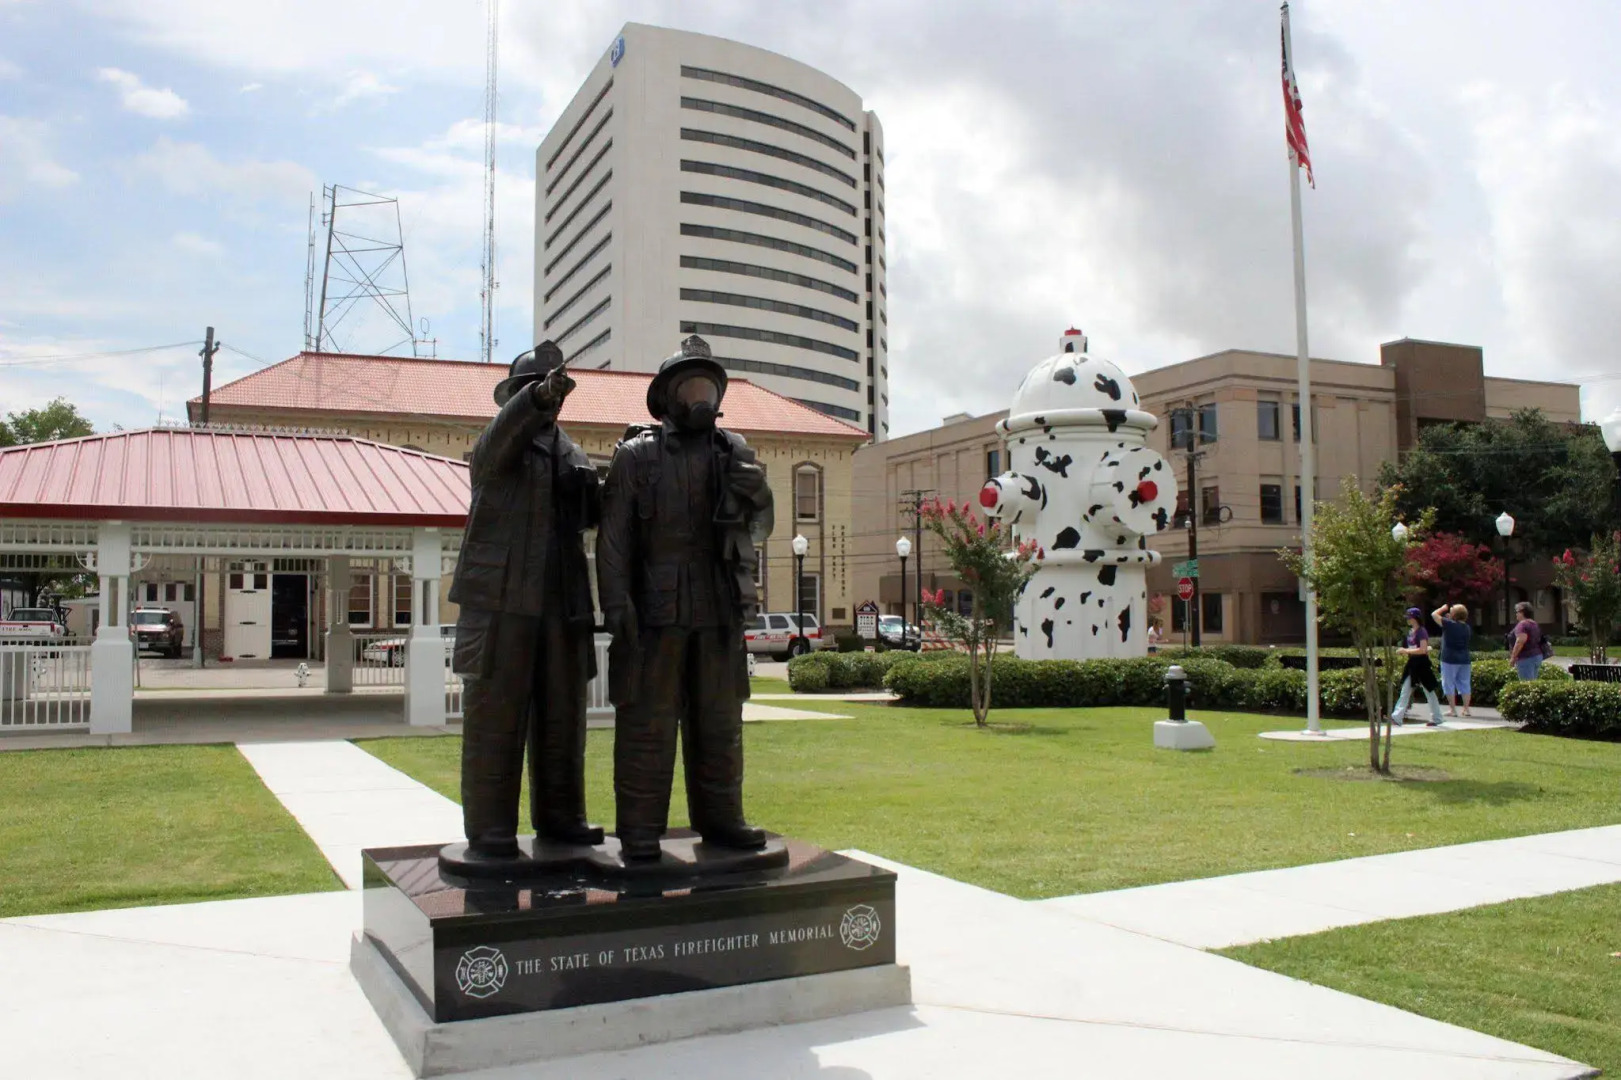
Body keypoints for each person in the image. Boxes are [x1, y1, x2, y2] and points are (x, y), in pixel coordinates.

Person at [596, 335, 775, 862]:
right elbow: (612, 540)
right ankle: (640, 829)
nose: (701, 395)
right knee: (648, 722)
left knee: (719, 720)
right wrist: (616, 606)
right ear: (668, 397)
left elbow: (760, 528)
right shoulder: (637, 455)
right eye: (691, 386)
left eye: (708, 386)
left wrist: (758, 493)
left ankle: (722, 820)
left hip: (719, 604)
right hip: (656, 606)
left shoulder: (735, 454)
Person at [447, 341, 604, 863]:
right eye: (534, 392)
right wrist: (535, 397)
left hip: (562, 608)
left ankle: (562, 818)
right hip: (500, 603)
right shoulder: (497, 442)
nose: (549, 401)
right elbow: (491, 453)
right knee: (495, 719)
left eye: (551, 394)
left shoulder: (572, 451)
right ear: (516, 397)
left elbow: (592, 516)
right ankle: (491, 829)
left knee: (563, 719)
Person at [1390, 606, 1444, 727]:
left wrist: (1406, 651)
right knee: (1405, 690)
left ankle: (1437, 717)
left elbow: (1423, 650)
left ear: (1415, 618)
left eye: (1410, 617)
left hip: (1422, 665)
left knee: (1429, 691)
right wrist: (1406, 651)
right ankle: (1396, 717)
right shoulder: (1410, 632)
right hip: (1412, 665)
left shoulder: (1421, 631)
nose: (1408, 620)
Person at [1432, 602, 1473, 718]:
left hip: (1449, 658)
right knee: (1465, 684)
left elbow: (1434, 615)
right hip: (1464, 659)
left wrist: (1442, 608)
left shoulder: (1449, 624)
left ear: (1454, 614)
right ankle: (1466, 709)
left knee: (1448, 683)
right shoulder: (1467, 627)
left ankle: (1452, 710)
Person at [1506, 600, 1548, 681]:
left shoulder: (1522, 625)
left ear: (1522, 612)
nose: (1516, 614)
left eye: (1517, 611)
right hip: (1537, 656)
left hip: (1526, 658)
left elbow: (1520, 641)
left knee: (1526, 685)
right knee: (1532, 683)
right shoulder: (1534, 623)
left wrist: (1513, 658)